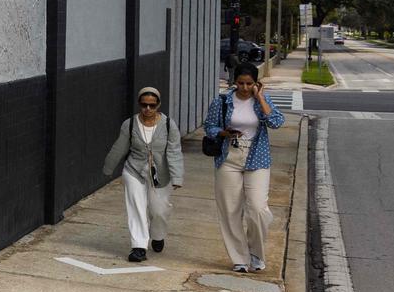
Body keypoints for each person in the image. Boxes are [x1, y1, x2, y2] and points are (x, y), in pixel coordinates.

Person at [204, 62, 286, 273]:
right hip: (229, 156)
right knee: (230, 210)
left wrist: (259, 98)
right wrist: (224, 133)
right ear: (234, 82)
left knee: (258, 209)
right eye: (240, 83)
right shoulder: (222, 101)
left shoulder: (261, 101)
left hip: (256, 157)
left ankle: (256, 253)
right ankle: (239, 258)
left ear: (256, 83)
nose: (244, 87)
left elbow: (277, 122)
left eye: (249, 83)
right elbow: (210, 126)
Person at [101, 87, 184, 263]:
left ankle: (158, 235)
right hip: (134, 170)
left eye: (152, 105)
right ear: (139, 104)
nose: (147, 109)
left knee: (159, 210)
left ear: (158, 105)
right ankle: (139, 246)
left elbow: (175, 152)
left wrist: (177, 177)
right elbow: (119, 147)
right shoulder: (130, 124)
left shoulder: (169, 125)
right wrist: (108, 168)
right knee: (136, 207)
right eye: (144, 105)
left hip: (160, 174)